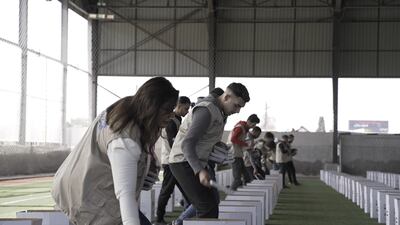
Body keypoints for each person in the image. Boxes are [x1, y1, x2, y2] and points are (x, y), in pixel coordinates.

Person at [51, 77, 179, 225]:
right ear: (152, 107)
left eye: (172, 110)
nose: (171, 116)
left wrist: (143, 169)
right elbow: (125, 194)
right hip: (85, 196)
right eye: (167, 110)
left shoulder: (129, 109)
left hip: (86, 186)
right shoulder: (124, 139)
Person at [168, 83, 250, 219]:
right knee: (206, 207)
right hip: (182, 161)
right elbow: (187, 144)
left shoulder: (219, 111)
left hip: (195, 161)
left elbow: (205, 139)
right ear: (226, 97)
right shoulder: (206, 110)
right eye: (236, 106)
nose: (238, 111)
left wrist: (220, 147)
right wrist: (200, 170)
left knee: (211, 204)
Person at [156, 96, 191, 225]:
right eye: (186, 108)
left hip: (174, 160)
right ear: (179, 105)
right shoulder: (172, 121)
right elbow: (173, 143)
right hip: (171, 162)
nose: (187, 111)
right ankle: (159, 218)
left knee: (185, 190)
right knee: (166, 191)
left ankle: (187, 214)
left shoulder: (177, 119)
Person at [230, 114, 260, 191]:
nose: (254, 126)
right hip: (234, 155)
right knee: (237, 179)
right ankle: (229, 194)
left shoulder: (244, 128)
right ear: (249, 121)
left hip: (239, 154)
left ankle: (245, 193)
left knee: (246, 176)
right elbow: (233, 139)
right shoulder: (240, 127)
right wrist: (245, 144)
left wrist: (246, 146)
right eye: (254, 124)